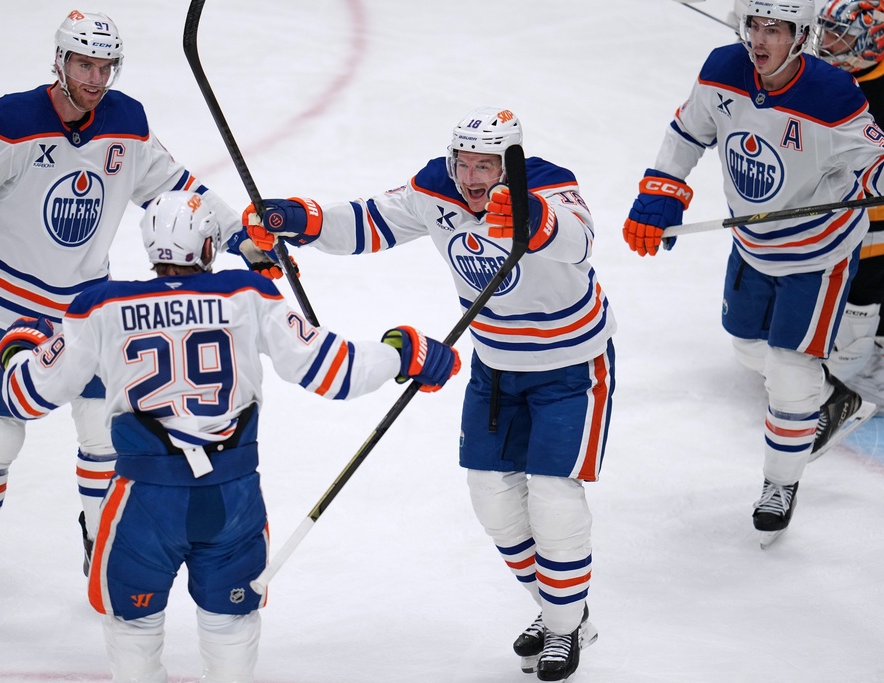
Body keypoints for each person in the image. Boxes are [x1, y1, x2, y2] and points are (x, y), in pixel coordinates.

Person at [0, 10, 262, 624]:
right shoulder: (14, 120)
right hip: (7, 301)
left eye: (105, 66)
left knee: (104, 435)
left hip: (86, 307)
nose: (96, 77)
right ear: (60, 61)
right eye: (85, 64)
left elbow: (176, 188)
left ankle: (100, 543)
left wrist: (243, 233)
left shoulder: (126, 122)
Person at [0, 190, 461, 683]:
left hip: (143, 502)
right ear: (210, 244)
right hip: (231, 499)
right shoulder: (247, 295)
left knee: (133, 629)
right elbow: (334, 373)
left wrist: (19, 349)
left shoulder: (100, 306)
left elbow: (26, 397)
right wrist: (402, 351)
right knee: (231, 626)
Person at [239, 107, 614, 682]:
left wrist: (535, 219)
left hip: (571, 365)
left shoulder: (548, 184)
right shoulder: (435, 190)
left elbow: (580, 241)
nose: (470, 178)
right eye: (463, 163)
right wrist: (302, 221)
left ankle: (564, 627)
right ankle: (558, 605)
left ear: (510, 163)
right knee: (491, 497)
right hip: (496, 365)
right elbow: (369, 222)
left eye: (486, 166)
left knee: (553, 498)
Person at [623, 0, 884, 545]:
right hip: (753, 245)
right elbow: (688, 130)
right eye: (755, 26)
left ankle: (779, 484)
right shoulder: (722, 69)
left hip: (818, 257)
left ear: (800, 35)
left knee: (790, 375)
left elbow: (877, 164)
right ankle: (833, 396)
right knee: (747, 348)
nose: (761, 40)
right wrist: (661, 188)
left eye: (776, 29)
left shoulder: (834, 96)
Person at [818, 1, 884, 408]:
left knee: (867, 289)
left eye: (837, 34)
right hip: (838, 215)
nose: (825, 42)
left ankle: (872, 370)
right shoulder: (825, 76)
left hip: (875, 222)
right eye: (824, 29)